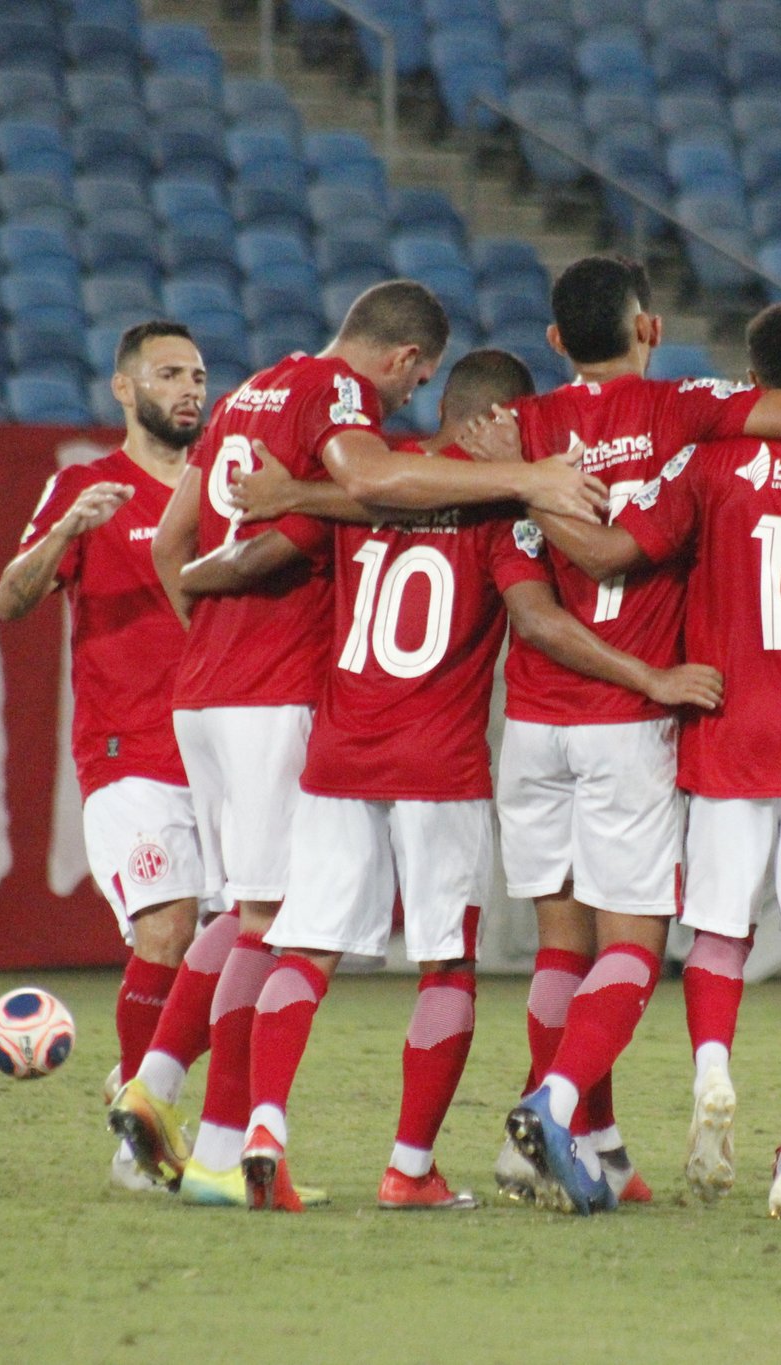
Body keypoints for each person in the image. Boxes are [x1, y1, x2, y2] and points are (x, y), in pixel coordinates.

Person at [114, 283, 606, 1207]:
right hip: (404, 748)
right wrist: (534, 480)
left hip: (300, 732)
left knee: (288, 936)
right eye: (405, 378)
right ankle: (359, 1162)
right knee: (416, 956)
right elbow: (533, 609)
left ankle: (225, 1113)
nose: (403, 399)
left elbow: (202, 539)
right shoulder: (435, 482)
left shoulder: (298, 438)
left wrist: (208, 613)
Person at [234, 349, 723, 1212]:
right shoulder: (498, 499)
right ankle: (410, 1167)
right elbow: (535, 614)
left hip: (338, 755)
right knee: (447, 967)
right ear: (490, 424)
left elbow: (311, 525)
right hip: (439, 762)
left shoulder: (377, 487)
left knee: (303, 946)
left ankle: (263, 1123)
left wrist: (285, 498)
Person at [517, 302, 781, 1217]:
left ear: (752, 383)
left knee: (717, 931)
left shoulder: (708, 463)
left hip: (727, 721)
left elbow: (624, 553)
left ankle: (712, 1065)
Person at [0, 320, 212, 1192]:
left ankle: (147, 1088)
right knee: (168, 926)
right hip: (127, 753)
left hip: (220, 753)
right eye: (168, 374)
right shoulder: (87, 486)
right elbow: (10, 598)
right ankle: (136, 1144)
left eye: (198, 374)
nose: (189, 389)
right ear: (126, 390)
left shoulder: (218, 493)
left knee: (234, 948)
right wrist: (66, 532)